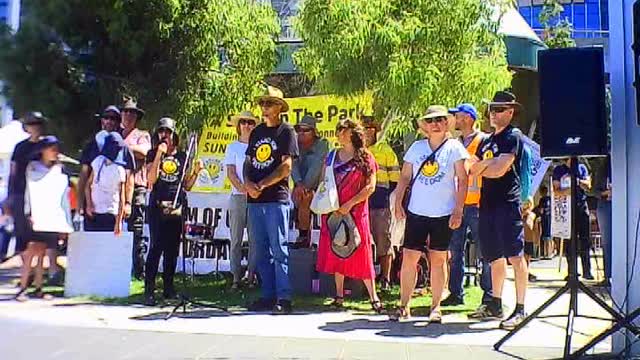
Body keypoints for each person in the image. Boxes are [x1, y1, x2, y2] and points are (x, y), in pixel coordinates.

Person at [393, 105, 468, 323]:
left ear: (447, 123)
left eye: (440, 120)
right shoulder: (416, 148)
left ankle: (436, 307)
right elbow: (405, 177)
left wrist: (458, 209)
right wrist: (398, 202)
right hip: (417, 211)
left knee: (438, 259)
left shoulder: (455, 148)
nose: (435, 124)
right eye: (431, 120)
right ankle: (404, 305)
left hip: (443, 212)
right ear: (425, 125)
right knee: (409, 258)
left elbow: (463, 180)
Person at [469, 91, 529, 329]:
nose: (494, 114)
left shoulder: (513, 136)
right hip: (487, 203)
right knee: (493, 256)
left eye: (500, 109)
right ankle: (495, 302)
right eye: (492, 109)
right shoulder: (485, 141)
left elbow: (500, 168)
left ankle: (521, 308)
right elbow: (471, 169)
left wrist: (485, 166)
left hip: (507, 202)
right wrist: (486, 165)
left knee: (515, 255)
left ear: (511, 111)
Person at [316, 118, 383, 313]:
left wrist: (350, 204)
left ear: (353, 132)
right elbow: (323, 181)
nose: (339, 133)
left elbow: (370, 186)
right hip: (334, 211)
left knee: (361, 250)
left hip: (356, 211)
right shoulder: (331, 156)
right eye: (337, 129)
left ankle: (373, 297)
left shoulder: (366, 157)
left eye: (342, 129)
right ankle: (338, 295)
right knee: (337, 247)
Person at [244, 86, 298, 314]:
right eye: (262, 103)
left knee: (279, 248)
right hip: (254, 200)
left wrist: (263, 184)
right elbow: (248, 162)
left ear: (279, 108)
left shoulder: (287, 132)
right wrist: (248, 183)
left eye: (269, 104)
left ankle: (284, 298)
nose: (264, 107)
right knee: (260, 249)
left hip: (276, 198)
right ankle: (268, 295)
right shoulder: (256, 132)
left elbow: (286, 166)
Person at [144, 117, 202, 306]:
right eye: (161, 132)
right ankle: (149, 289)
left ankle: (168, 288)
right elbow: (150, 180)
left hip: (176, 207)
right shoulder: (152, 154)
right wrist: (159, 155)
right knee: (155, 248)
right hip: (158, 206)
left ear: (174, 135)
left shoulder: (182, 157)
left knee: (172, 250)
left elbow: (187, 185)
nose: (164, 135)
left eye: (167, 132)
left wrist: (196, 172)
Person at [441, 103, 493, 308]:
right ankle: (456, 293)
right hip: (457, 205)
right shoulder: (454, 143)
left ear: (469, 118)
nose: (456, 120)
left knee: (485, 252)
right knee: (455, 251)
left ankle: (489, 294)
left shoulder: (484, 141)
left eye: (459, 116)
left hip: (479, 205)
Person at [16, 136, 71, 301]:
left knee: (42, 253)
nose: (55, 152)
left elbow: (62, 196)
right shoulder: (33, 168)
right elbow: (31, 192)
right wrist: (29, 213)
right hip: (35, 215)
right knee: (31, 252)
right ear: (42, 150)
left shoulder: (58, 170)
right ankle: (23, 288)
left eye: (56, 148)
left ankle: (39, 288)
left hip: (51, 216)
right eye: (51, 148)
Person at [77, 106, 134, 228]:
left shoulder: (123, 148)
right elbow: (84, 177)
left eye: (113, 118)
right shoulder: (91, 146)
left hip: (115, 210)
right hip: (93, 209)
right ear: (102, 121)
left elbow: (129, 179)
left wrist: (128, 203)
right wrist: (81, 204)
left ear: (119, 122)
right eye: (106, 118)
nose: (109, 121)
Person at [361, 114, 400, 291]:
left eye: (370, 129)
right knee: (360, 242)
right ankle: (362, 280)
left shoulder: (385, 151)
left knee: (383, 239)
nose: (367, 132)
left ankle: (385, 279)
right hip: (359, 203)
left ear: (376, 131)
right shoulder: (357, 151)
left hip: (380, 204)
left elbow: (396, 181)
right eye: (364, 129)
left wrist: (388, 200)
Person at [224, 111, 260, 290]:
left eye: (250, 122)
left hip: (255, 199)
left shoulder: (259, 147)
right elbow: (230, 172)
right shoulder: (232, 147)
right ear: (238, 126)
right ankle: (235, 277)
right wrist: (242, 188)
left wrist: (253, 190)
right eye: (244, 122)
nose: (247, 125)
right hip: (238, 197)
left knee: (255, 239)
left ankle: (251, 276)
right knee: (236, 239)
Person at [121, 98, 151, 279]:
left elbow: (145, 152)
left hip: (137, 186)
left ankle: (138, 270)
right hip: (115, 187)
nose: (128, 115)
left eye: (132, 113)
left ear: (137, 117)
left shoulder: (142, 134)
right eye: (125, 112)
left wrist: (122, 146)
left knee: (136, 229)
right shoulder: (114, 133)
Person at [291, 115, 330, 249]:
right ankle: (303, 236)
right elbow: (292, 165)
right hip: (299, 186)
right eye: (299, 130)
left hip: (321, 187)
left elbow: (316, 167)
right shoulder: (294, 144)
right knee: (303, 197)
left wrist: (305, 187)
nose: (301, 133)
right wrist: (299, 184)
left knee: (306, 196)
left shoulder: (322, 144)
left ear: (314, 132)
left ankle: (304, 236)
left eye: (306, 130)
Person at [552, 158, 594, 280]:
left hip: (581, 206)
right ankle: (572, 272)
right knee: (570, 242)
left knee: (585, 240)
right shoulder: (559, 170)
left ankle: (587, 271)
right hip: (567, 209)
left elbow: (588, 185)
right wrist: (571, 189)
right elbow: (557, 190)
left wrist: (578, 181)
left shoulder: (581, 168)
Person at [84, 133, 127, 234]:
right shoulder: (98, 162)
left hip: (110, 213)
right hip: (94, 212)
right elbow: (88, 185)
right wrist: (89, 204)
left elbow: (122, 197)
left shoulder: (119, 170)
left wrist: (119, 221)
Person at [593, 156, 611, 284]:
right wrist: (607, 193)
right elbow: (595, 191)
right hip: (606, 205)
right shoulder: (603, 167)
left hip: (624, 205)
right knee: (607, 242)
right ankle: (608, 276)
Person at [534, 185, 554, 259]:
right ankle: (550, 252)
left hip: (545, 219)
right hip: (550, 218)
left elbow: (541, 210)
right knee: (549, 236)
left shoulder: (542, 200)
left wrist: (538, 214)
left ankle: (546, 253)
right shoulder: (550, 199)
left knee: (545, 236)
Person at [522, 198, 538, 282]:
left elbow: (534, 227)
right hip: (522, 238)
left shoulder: (532, 215)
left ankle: (527, 272)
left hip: (530, 239)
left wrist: (536, 238)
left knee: (528, 258)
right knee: (523, 257)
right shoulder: (520, 214)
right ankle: (524, 273)